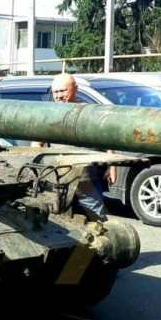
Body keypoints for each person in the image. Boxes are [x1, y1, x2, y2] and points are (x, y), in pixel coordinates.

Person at [36, 74, 108, 221]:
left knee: (94, 212)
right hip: (58, 175)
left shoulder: (89, 112)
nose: (59, 96)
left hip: (86, 175)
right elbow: (37, 143)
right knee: (56, 214)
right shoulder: (47, 114)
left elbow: (106, 137)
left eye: (63, 91)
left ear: (76, 89)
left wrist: (111, 166)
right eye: (56, 92)